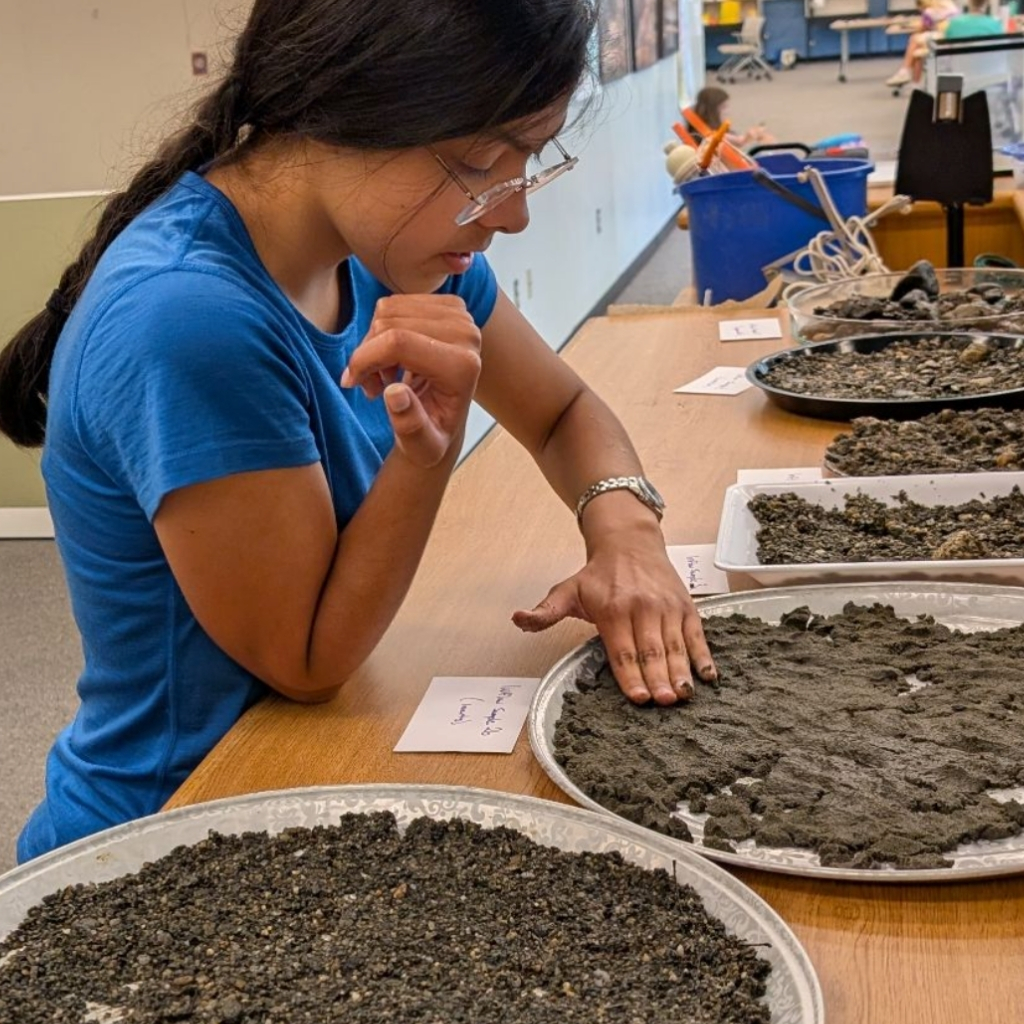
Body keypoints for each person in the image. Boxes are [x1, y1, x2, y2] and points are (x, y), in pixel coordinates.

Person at [0, 0, 717, 863]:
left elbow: (564, 411)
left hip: (302, 783)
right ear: (350, 109)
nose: (514, 213)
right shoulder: (190, 316)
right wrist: (430, 453)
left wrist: (627, 535)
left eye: (531, 157)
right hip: (174, 832)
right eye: (485, 161)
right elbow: (305, 661)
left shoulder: (388, 255)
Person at [885, 0, 960, 88]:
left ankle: (905, 72)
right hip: (954, 39)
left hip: (943, 40)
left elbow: (922, 27)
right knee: (917, 50)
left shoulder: (930, 12)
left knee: (914, 38)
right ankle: (913, 82)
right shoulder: (950, 6)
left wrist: (902, 26)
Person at [692, 86, 775, 149]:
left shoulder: (703, 130)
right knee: (769, 142)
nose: (727, 111)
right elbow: (739, 142)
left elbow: (739, 141)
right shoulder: (714, 136)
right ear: (712, 111)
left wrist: (749, 137)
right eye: (724, 107)